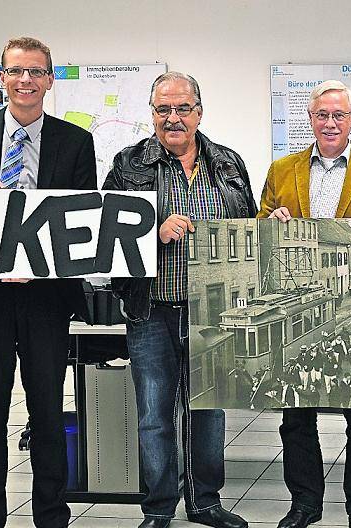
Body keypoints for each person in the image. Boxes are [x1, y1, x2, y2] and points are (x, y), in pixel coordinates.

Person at [0, 36, 95, 528]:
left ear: (50, 79)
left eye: (36, 71)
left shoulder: (76, 141)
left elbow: (83, 217)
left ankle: (51, 515)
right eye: (16, 71)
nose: (25, 80)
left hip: (46, 297)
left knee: (47, 413)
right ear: (2, 77)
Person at [103, 71, 256, 528]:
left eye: (183, 108)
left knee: (208, 411)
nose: (173, 118)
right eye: (163, 109)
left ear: (199, 113)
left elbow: (249, 227)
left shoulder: (228, 164)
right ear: (152, 114)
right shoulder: (128, 164)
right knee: (154, 415)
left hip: (214, 314)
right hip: (151, 310)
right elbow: (106, 235)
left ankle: (205, 502)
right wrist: (153, 231)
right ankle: (158, 508)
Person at [258, 79, 351, 528]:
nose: (331, 123)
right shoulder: (282, 171)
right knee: (295, 419)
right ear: (310, 119)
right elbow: (259, 227)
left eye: (340, 115)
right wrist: (271, 220)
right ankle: (305, 503)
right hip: (296, 289)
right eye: (323, 115)